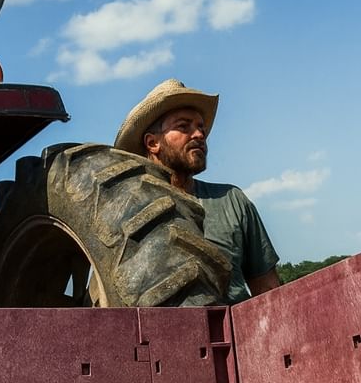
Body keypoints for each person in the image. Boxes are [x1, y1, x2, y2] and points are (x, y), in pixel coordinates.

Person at [115, 79, 281, 304]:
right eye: (184, 126)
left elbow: (267, 288)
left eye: (201, 127)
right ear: (153, 143)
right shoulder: (126, 212)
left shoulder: (232, 200)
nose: (199, 135)